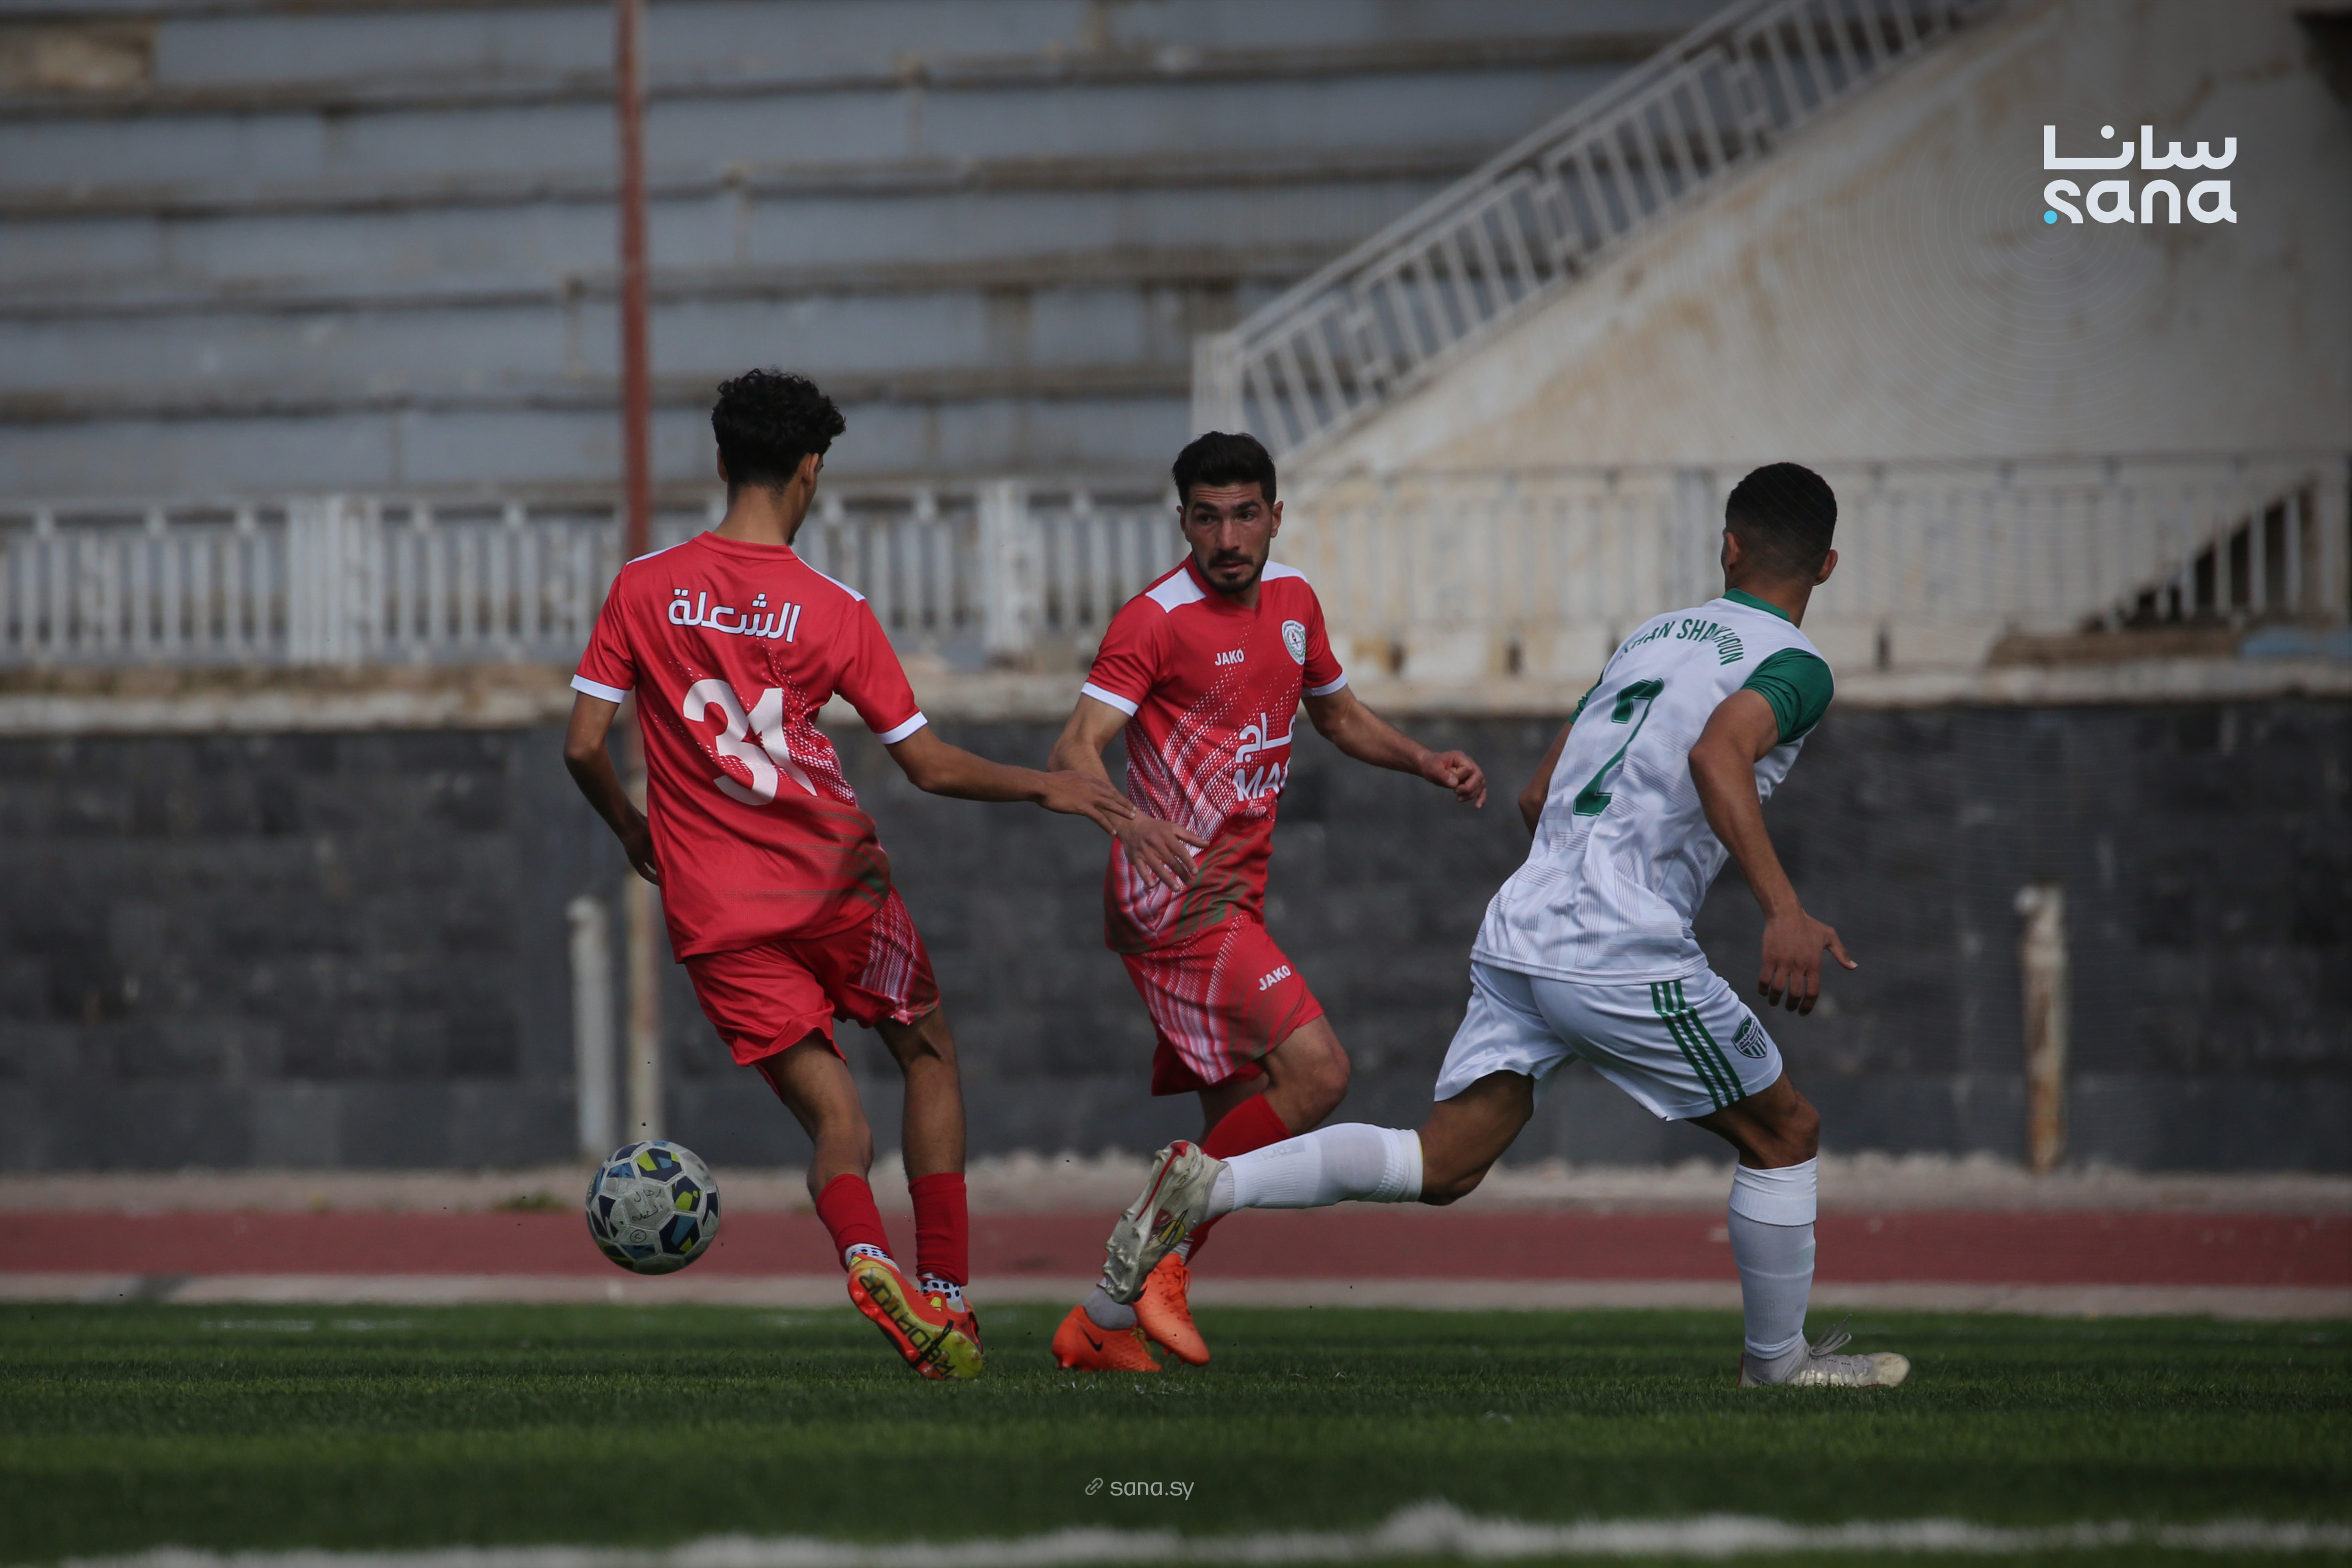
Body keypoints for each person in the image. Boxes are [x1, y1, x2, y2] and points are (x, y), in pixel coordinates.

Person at [1095, 462, 1912, 1389]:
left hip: (1524, 924)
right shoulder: (1796, 664)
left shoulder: (1650, 636)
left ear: (1727, 548)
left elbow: (1537, 794)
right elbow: (1718, 754)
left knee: (1444, 1162)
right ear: (1828, 565)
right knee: (1785, 1131)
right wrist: (1783, 910)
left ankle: (1214, 1182)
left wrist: (1574, 896)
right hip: (1618, 943)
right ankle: (1778, 1365)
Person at [563, 369, 1131, 1381]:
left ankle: (867, 1256)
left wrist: (631, 827)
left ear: (721, 459)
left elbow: (581, 745)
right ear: (811, 470)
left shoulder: (642, 586)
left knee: (839, 1121)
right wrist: (1048, 785)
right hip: (837, 886)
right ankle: (945, 1293)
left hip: (716, 911)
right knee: (929, 1054)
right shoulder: (834, 609)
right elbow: (928, 764)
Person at [1046, 431, 1488, 1372]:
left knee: (1238, 1130)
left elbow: (1337, 712)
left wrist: (1422, 760)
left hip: (1235, 895)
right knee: (1319, 1074)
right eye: (1207, 518)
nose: (1227, 537)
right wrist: (1128, 819)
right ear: (1182, 522)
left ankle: (1102, 1319)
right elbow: (1074, 748)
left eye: (1245, 514)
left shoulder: (1293, 602)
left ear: (1276, 516)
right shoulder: (1154, 620)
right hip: (1177, 901)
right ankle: (1148, 1264)